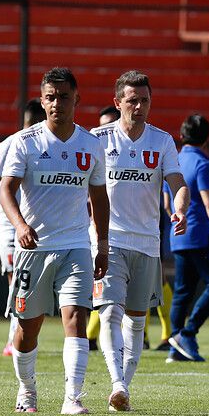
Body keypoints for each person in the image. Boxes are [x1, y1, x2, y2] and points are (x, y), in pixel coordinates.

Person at [0, 67, 109, 414]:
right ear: (43, 100)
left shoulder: (91, 145)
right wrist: (19, 226)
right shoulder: (26, 142)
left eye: (64, 96)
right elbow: (5, 189)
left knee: (76, 318)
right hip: (34, 249)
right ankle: (27, 390)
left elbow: (100, 197)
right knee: (27, 329)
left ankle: (72, 398)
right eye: (50, 97)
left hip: (76, 245)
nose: (56, 103)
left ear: (77, 99)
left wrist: (101, 244)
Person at [91, 71, 189, 412]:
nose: (139, 106)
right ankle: (116, 382)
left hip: (148, 243)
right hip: (109, 240)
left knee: (136, 320)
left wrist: (179, 207)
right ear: (118, 103)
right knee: (109, 313)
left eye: (144, 100)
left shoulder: (162, 141)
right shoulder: (98, 139)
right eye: (132, 100)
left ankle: (123, 390)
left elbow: (178, 182)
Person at [0, 98, 46, 356]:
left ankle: (24, 335)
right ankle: (13, 338)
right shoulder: (9, 145)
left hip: (36, 222)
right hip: (8, 222)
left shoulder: (47, 146)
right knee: (15, 276)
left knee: (29, 279)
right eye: (31, 123)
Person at [165, 114, 209, 363]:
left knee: (183, 291)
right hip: (201, 237)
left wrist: (178, 220)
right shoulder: (202, 164)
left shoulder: (173, 160)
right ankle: (188, 333)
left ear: (182, 135)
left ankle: (176, 347)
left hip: (178, 236)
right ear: (208, 138)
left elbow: (166, 203)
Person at [86, 106, 121, 351]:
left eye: (110, 123)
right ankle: (88, 337)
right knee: (103, 291)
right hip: (99, 229)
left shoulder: (136, 146)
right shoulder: (95, 142)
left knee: (138, 294)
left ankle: (154, 336)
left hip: (135, 229)